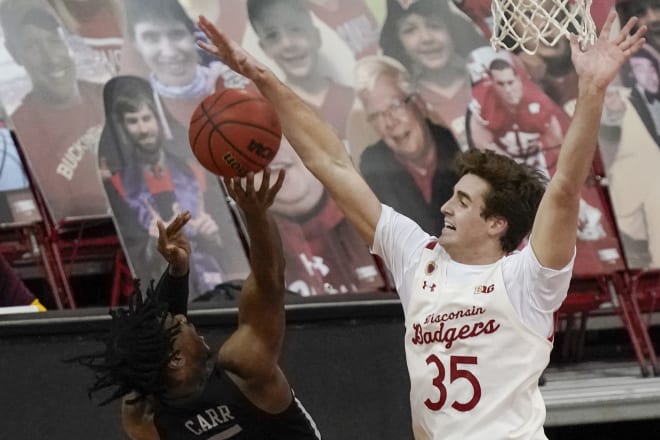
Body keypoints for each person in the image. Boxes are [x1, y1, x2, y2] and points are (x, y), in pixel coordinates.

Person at [196, 11, 646, 439]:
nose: (446, 207)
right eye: (453, 195)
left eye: (464, 202)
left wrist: (591, 92)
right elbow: (332, 163)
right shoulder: (418, 257)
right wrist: (263, 79)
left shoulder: (527, 279)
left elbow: (565, 188)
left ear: (496, 224)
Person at [72, 170, 322, 439]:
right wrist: (256, 213)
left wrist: (178, 271)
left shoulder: (144, 417)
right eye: (178, 324)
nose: (184, 318)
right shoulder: (245, 369)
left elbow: (147, 344)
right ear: (176, 359)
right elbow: (269, 281)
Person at [102, 75, 246, 299]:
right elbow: (134, 262)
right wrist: (154, 243)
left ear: (159, 119)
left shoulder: (196, 172)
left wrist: (214, 235)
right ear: (123, 128)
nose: (142, 129)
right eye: (133, 121)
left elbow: (232, 247)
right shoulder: (119, 186)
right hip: (162, 292)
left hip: (217, 286)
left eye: (147, 118)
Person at [0, 0, 109, 222]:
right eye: (32, 46)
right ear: (15, 54)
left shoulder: (110, 97)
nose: (51, 58)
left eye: (54, 40)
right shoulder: (20, 133)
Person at [265, 137, 386, 296]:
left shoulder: (381, 219)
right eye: (248, 140)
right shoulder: (235, 246)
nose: (267, 149)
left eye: (277, 134)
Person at [355, 55, 460, 235]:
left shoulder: (457, 146)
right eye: (377, 115)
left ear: (418, 103)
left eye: (395, 106)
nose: (390, 122)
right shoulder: (373, 169)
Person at [120, 0, 248, 131]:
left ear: (195, 35)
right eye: (151, 38)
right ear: (135, 44)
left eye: (177, 34)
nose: (169, 52)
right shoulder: (135, 113)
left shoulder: (238, 88)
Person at [379, 0, 487, 148]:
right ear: (399, 43)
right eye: (410, 30)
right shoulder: (407, 105)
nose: (426, 38)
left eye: (434, 26)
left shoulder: (488, 78)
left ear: (452, 30)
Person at [246, 0, 354, 141]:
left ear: (316, 36)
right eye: (272, 35)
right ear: (264, 48)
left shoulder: (354, 100)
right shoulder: (272, 117)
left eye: (295, 29)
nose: (287, 44)